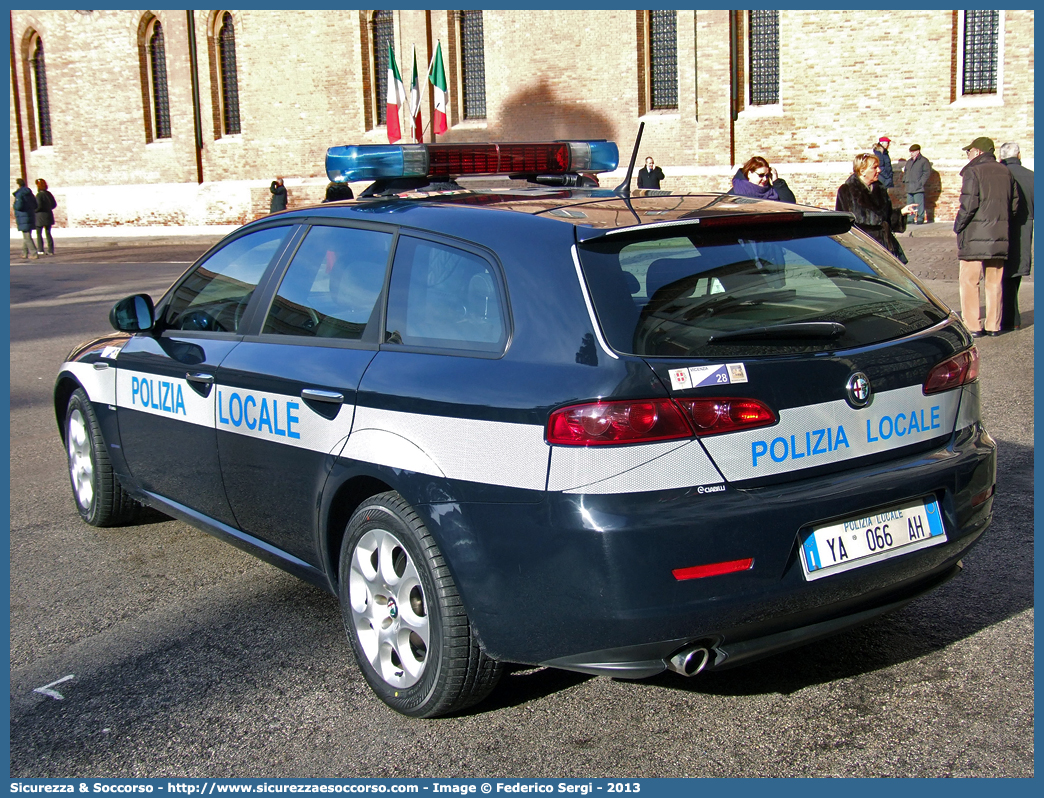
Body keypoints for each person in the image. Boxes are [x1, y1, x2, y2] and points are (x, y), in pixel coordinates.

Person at [954, 136, 1019, 337]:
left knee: (969, 281)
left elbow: (968, 205)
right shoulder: (1005, 172)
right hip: (999, 235)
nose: (968, 154)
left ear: (978, 152)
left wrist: (958, 226)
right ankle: (993, 325)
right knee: (994, 281)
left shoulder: (973, 172)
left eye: (969, 151)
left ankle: (973, 325)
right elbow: (1014, 205)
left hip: (974, 235)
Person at [835, 152, 917, 263]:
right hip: (861, 248)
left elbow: (886, 218)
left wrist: (902, 212)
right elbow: (842, 224)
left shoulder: (880, 189)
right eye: (874, 167)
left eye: (878, 167)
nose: (879, 170)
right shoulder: (847, 191)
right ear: (862, 171)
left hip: (884, 247)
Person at [998, 142, 1034, 331]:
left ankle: (1006, 317)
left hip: (999, 231)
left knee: (1001, 276)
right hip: (1023, 232)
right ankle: (1013, 317)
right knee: (1014, 277)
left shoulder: (998, 174)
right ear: (1018, 155)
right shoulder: (1032, 177)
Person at [730, 156, 794, 202]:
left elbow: (790, 203)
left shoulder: (773, 192)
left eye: (767, 175)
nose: (765, 179)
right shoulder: (737, 191)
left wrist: (776, 181)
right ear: (749, 174)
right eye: (761, 175)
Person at [902, 145, 931, 225]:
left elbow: (926, 173)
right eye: (910, 152)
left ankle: (920, 218)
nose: (911, 154)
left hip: (918, 186)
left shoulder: (923, 161)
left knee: (919, 203)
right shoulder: (909, 162)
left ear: (918, 151)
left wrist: (921, 183)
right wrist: (905, 180)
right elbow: (906, 171)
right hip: (909, 185)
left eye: (913, 152)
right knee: (910, 203)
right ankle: (910, 218)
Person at [12, 178, 39, 260]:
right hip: (30, 215)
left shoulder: (19, 194)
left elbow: (18, 206)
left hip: (23, 217)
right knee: (27, 235)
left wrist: (14, 205)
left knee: (27, 236)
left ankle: (34, 253)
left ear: (18, 184)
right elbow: (36, 205)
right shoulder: (30, 193)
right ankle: (24, 253)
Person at [34, 178, 57, 255]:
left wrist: (34, 211)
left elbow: (38, 205)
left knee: (39, 233)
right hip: (48, 215)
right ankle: (50, 250)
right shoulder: (48, 194)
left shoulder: (39, 195)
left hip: (40, 216)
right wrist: (48, 208)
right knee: (48, 233)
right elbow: (54, 204)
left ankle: (40, 249)